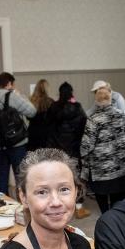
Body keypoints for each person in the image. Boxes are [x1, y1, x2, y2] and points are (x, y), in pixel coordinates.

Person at [0, 72, 37, 194]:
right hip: (16, 143)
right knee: (20, 177)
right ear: (9, 84)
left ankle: (3, 207)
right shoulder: (12, 96)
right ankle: (23, 208)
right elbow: (32, 112)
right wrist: (20, 95)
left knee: (2, 176)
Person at [80, 87, 125, 213]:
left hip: (101, 172)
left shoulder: (93, 119)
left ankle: (106, 222)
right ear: (110, 99)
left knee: (104, 208)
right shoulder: (120, 115)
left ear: (96, 102)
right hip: (121, 169)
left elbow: (86, 147)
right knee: (118, 204)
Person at [46, 82, 90, 219]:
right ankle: (79, 208)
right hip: (74, 150)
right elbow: (84, 128)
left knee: (58, 180)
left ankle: (59, 206)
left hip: (57, 151)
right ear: (72, 93)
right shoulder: (77, 108)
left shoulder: (53, 108)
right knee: (76, 179)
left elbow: (48, 129)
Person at [28, 78, 54, 150]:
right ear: (46, 89)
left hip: (33, 134)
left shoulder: (31, 101)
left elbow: (28, 116)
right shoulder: (50, 101)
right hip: (46, 135)